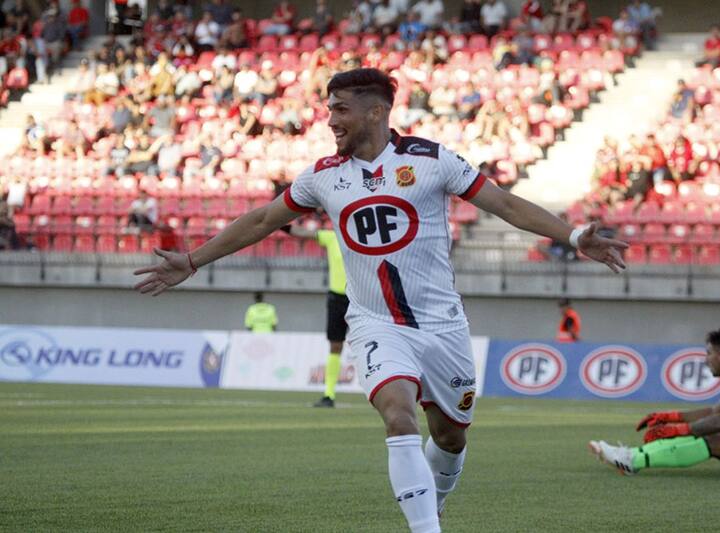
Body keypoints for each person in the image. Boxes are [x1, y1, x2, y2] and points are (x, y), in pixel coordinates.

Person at [133, 68, 627, 533]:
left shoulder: (431, 160)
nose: (331, 121)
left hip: (443, 327)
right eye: (329, 110)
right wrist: (193, 260)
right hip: (374, 323)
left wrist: (573, 234)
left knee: (451, 437)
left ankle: (433, 500)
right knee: (398, 414)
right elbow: (263, 220)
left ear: (375, 112)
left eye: (341, 110)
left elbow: (505, 204)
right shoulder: (322, 176)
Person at [590, 328, 720, 479]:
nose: (705, 359)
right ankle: (633, 456)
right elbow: (713, 412)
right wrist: (670, 417)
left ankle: (632, 460)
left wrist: (678, 430)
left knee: (714, 441)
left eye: (708, 353)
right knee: (708, 431)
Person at [284, 222, 349, 408]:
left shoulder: (362, 237)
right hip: (337, 298)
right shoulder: (331, 237)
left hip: (360, 296)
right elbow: (302, 233)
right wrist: (280, 224)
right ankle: (329, 394)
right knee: (335, 346)